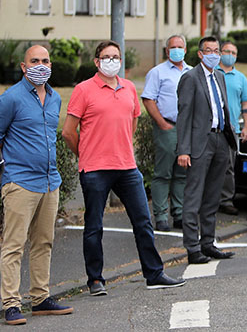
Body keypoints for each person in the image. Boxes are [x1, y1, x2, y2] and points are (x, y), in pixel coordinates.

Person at [63, 41, 185, 295]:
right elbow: (67, 132)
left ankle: (154, 273)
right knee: (94, 226)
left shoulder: (128, 88)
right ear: (97, 62)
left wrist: (123, 149)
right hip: (95, 169)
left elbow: (131, 124)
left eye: (116, 56)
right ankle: (95, 280)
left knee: (142, 222)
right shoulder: (84, 90)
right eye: (106, 57)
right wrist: (85, 154)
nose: (112, 60)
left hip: (127, 167)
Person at [0, 45, 72, 325]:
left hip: (49, 181)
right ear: (23, 66)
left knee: (44, 241)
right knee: (14, 245)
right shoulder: (11, 98)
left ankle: (40, 298)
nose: (40, 65)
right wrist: (7, 172)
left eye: (45, 60)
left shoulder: (54, 98)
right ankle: (10, 304)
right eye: (34, 61)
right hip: (20, 182)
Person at [176, 36, 238, 264]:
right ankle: (192, 247)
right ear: (200, 54)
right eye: (209, 50)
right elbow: (184, 115)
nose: (214, 54)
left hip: (221, 140)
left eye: (217, 50)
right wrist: (183, 149)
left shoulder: (220, 76)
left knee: (213, 196)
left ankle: (208, 243)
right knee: (193, 197)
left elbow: (223, 107)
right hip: (199, 144)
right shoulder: (190, 78)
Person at [141, 35, 192, 232]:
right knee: (163, 173)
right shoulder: (157, 72)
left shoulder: (192, 72)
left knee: (182, 172)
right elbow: (148, 99)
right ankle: (161, 215)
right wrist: (161, 124)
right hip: (168, 127)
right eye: (173, 47)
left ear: (186, 50)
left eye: (180, 47)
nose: (176, 50)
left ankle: (178, 213)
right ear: (166, 50)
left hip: (187, 129)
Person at [217, 41, 247, 216]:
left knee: (229, 166)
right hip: (212, 127)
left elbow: (246, 104)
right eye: (226, 51)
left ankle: (226, 200)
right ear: (220, 53)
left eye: (233, 53)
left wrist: (246, 126)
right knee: (207, 165)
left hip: (232, 129)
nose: (230, 55)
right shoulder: (212, 73)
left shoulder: (241, 78)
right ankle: (207, 200)